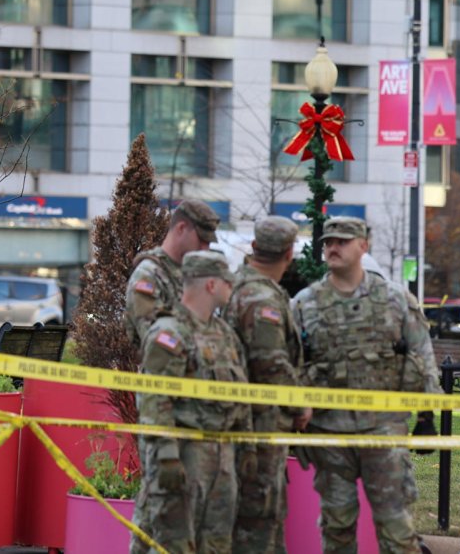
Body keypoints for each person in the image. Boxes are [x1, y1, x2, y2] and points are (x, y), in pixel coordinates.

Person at [291, 217, 441, 553]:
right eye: (328, 241)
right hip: (329, 433)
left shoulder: (395, 299)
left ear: (363, 246)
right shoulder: (304, 304)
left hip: (383, 430)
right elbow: (289, 365)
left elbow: (422, 355)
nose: (333, 247)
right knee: (337, 527)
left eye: (342, 241)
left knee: (396, 527)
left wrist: (428, 415)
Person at [131, 250, 252, 554]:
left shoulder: (223, 333)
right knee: (171, 543)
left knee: (216, 545)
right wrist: (167, 455)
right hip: (183, 459)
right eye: (227, 281)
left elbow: (242, 392)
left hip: (221, 459)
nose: (231, 287)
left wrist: (248, 444)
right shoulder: (169, 332)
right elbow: (155, 400)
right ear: (211, 285)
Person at [225, 216, 311, 553]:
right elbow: (271, 363)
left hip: (251, 421)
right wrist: (299, 403)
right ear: (289, 254)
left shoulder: (241, 285)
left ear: (255, 247)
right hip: (258, 423)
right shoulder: (260, 298)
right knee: (258, 521)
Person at [124, 198, 220, 350]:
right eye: (201, 240)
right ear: (181, 228)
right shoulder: (148, 276)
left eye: (208, 243)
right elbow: (158, 340)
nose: (205, 248)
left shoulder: (193, 273)